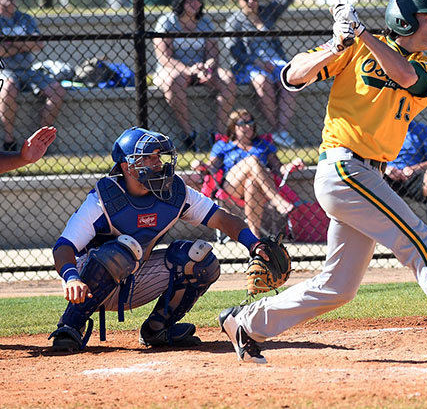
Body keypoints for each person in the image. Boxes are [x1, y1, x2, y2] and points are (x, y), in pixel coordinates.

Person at [218, 0, 427, 364]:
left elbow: (401, 74)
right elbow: (290, 76)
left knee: (339, 286)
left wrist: (363, 33)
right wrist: (337, 43)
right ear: (404, 21)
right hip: (343, 168)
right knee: (423, 245)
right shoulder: (352, 47)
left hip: (369, 176)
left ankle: (245, 322)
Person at [48, 126, 268, 352]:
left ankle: (157, 329)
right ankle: (70, 325)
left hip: (136, 277)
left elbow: (222, 219)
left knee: (201, 260)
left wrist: (255, 244)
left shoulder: (174, 191)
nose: (157, 163)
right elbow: (63, 247)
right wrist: (72, 277)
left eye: (157, 157)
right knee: (122, 251)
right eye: (147, 158)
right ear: (127, 167)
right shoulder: (104, 199)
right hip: (87, 282)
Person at [153, 0, 236, 151]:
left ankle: (219, 135)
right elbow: (164, 57)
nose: (195, 2)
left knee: (228, 79)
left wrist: (207, 66)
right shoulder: (167, 21)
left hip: (201, 70)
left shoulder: (205, 22)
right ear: (181, 0)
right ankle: (189, 134)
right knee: (173, 81)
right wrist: (188, 70)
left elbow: (213, 54)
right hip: (174, 69)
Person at [224, 0, 296, 147]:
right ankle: (276, 129)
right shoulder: (233, 22)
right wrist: (256, 61)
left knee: (291, 79)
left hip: (276, 61)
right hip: (249, 65)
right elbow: (234, 51)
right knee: (263, 81)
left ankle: (281, 131)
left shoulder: (267, 12)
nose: (251, 1)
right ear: (238, 0)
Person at [207, 109, 299, 236]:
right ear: (233, 127)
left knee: (251, 183)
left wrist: (291, 165)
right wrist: (199, 165)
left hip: (259, 186)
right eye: (242, 123)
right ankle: (277, 200)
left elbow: (278, 168)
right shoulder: (223, 145)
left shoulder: (263, 144)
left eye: (250, 122)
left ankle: (254, 238)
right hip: (233, 185)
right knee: (252, 160)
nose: (248, 126)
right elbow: (211, 167)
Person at [0, 0, 65, 152]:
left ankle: (40, 141)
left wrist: (11, 44)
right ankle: (9, 140)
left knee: (57, 90)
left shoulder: (25, 18)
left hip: (28, 70)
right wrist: (25, 44)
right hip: (4, 70)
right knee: (9, 87)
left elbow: (39, 44)